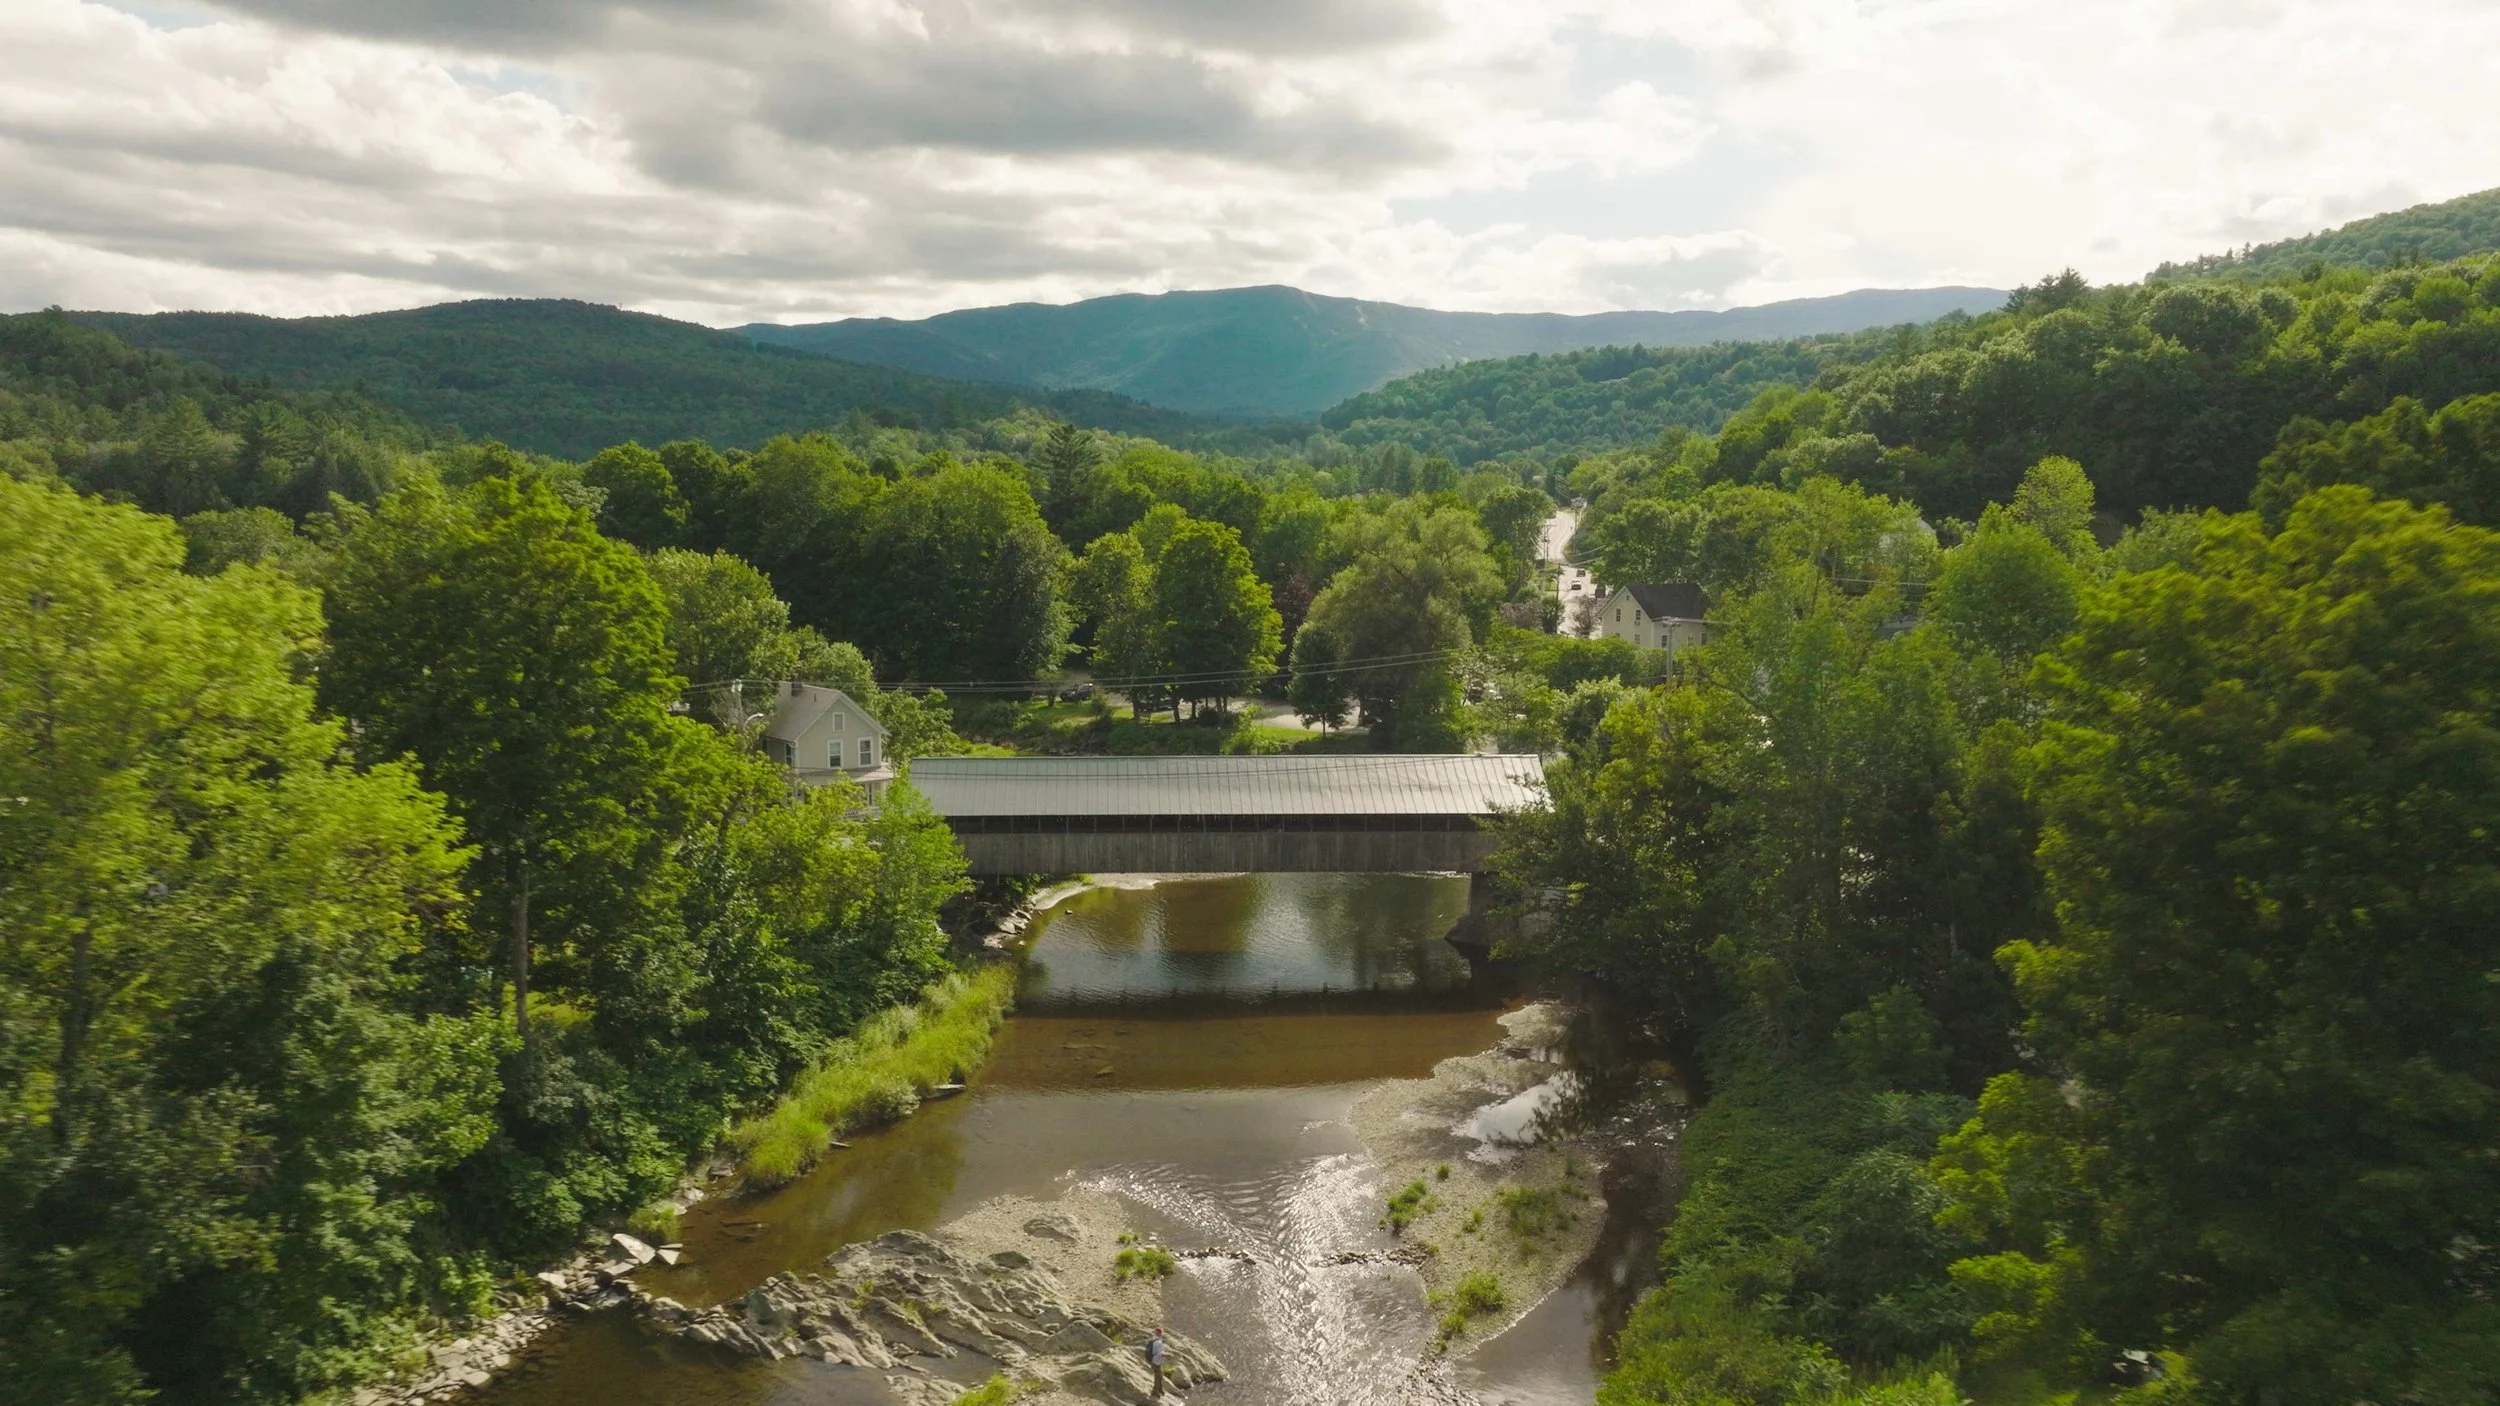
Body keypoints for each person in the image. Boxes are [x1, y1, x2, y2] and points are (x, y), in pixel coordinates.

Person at [1144, 1325, 1168, 1396]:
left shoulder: (1153, 1340)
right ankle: (1155, 1391)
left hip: (1153, 1361)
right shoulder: (1158, 1342)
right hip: (1156, 1361)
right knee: (1158, 1377)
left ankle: (1160, 1389)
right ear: (1161, 1333)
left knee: (1160, 1376)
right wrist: (1168, 1355)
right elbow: (1159, 1353)